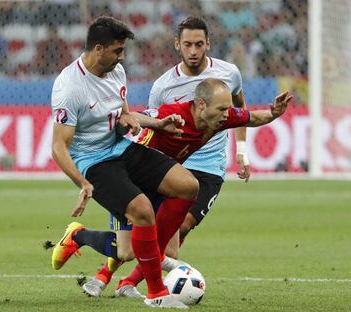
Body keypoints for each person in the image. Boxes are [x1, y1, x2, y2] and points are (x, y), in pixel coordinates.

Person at [58, 79, 292, 297]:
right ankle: (79, 235)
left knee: (165, 250)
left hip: (162, 183)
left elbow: (252, 117)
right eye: (221, 109)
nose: (226, 115)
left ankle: (134, 285)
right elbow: (134, 116)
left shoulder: (223, 117)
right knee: (126, 252)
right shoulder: (173, 113)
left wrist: (273, 113)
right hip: (132, 179)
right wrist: (137, 125)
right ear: (201, 105)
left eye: (227, 110)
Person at [83, 16, 252, 297]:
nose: (194, 50)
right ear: (177, 45)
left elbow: (239, 110)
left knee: (177, 231)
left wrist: (242, 152)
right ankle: (103, 268)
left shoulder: (229, 73)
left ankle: (127, 282)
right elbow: (150, 131)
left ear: (208, 43)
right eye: (188, 44)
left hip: (209, 167)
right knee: (140, 238)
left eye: (199, 44)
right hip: (173, 164)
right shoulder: (163, 86)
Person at [50, 15, 201, 309]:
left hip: (122, 149)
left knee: (187, 185)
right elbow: (59, 147)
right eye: (117, 50)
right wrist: (82, 182)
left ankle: (149, 249)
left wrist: (157, 124)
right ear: (98, 49)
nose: (122, 57)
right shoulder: (70, 87)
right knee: (142, 212)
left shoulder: (117, 72)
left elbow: (123, 116)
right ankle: (158, 295)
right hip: (94, 163)